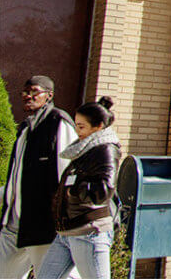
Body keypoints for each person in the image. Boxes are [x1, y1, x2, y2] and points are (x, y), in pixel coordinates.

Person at [0, 76, 77, 278]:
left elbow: (69, 172)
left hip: (43, 224)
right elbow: (18, 178)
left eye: (34, 91)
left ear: (49, 95)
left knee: (51, 275)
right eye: (25, 92)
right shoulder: (25, 129)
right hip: (14, 223)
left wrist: (65, 218)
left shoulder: (58, 123)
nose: (28, 96)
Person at [38, 97, 121, 279]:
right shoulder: (84, 149)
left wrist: (75, 190)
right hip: (67, 232)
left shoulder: (105, 150)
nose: (77, 131)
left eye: (81, 127)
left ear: (98, 126)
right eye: (76, 125)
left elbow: (104, 190)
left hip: (89, 232)